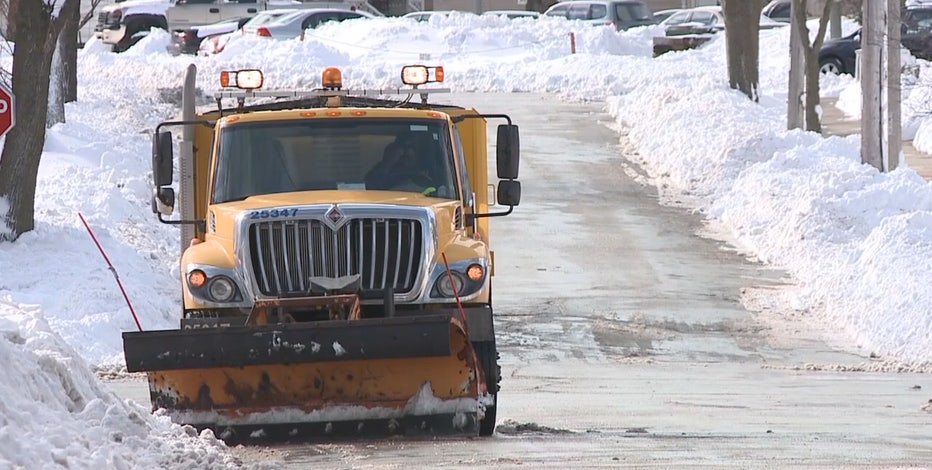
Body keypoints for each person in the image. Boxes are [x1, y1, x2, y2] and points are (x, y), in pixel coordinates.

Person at [366, 134, 439, 195]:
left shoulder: (430, 171)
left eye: (410, 147)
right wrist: (389, 162)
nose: (405, 152)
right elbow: (369, 187)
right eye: (402, 147)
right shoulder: (384, 173)